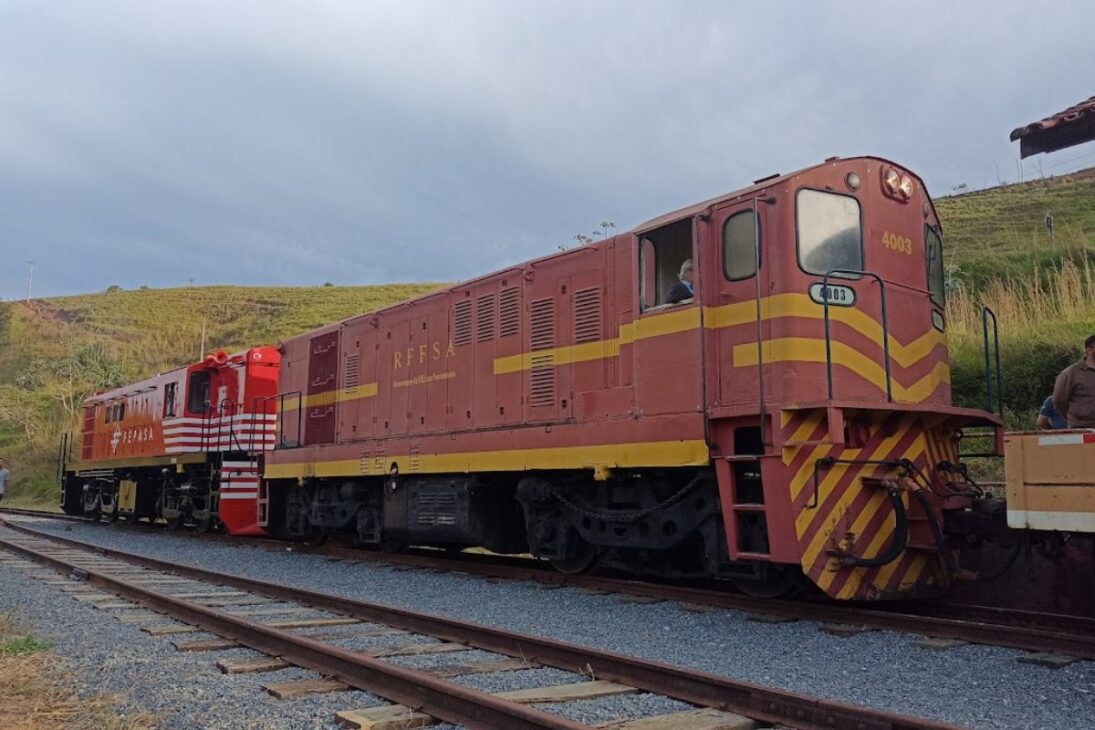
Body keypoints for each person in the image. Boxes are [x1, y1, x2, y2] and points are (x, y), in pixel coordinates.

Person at [1052, 334, 1095, 428]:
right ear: (1089, 350)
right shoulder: (1070, 374)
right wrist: (1076, 418)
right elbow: (1059, 401)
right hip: (1082, 430)